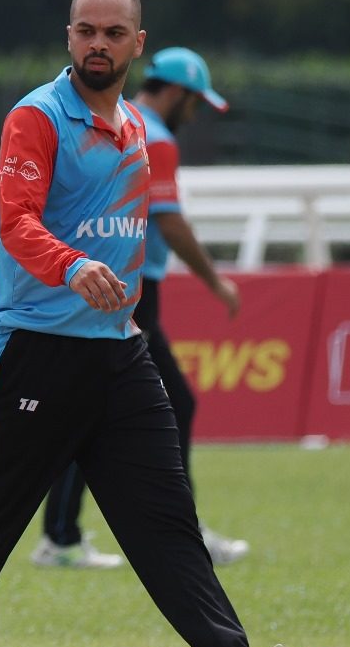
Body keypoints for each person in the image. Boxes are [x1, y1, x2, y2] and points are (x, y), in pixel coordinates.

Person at [0, 0, 320, 647]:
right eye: (85, 30)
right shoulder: (37, 116)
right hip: (37, 351)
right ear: (69, 38)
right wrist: (70, 266)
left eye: (113, 33)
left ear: (137, 45)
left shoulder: (133, 130)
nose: (98, 43)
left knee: (167, 521)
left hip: (119, 356)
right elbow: (15, 220)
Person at [32, 46, 249, 570]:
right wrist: (217, 282)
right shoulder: (155, 136)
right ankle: (150, 532)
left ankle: (69, 534)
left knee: (152, 405)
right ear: (177, 92)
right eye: (195, 102)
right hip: (132, 290)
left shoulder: (117, 121)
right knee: (137, 407)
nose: (194, 114)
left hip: (103, 282)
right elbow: (169, 222)